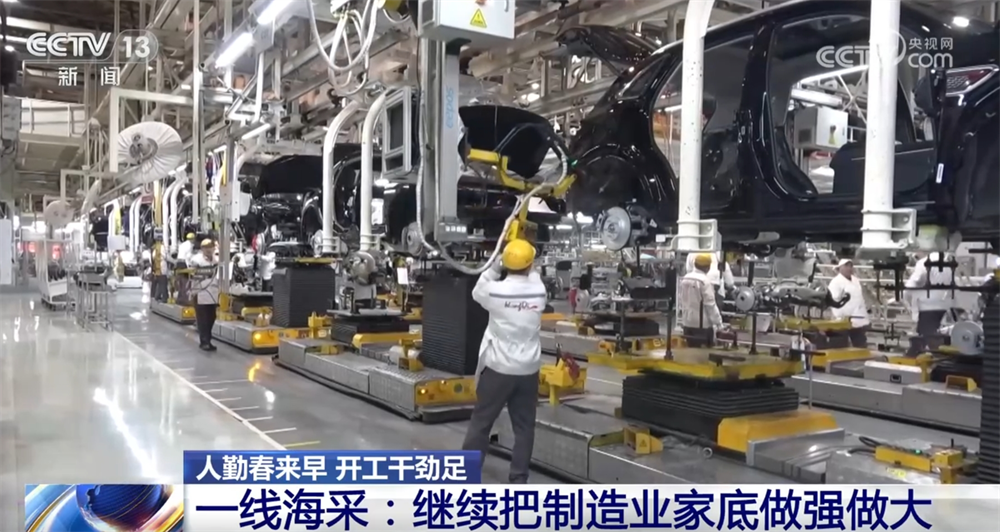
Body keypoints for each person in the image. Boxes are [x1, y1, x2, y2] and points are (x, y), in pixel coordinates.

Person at [462, 239, 547, 484]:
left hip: (498, 370)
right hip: (528, 372)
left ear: (506, 263)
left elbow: (477, 290)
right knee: (524, 429)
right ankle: (519, 479)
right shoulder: (538, 292)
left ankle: (467, 476)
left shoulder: (495, 292)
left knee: (481, 423)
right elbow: (533, 273)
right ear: (529, 264)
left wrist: (495, 265)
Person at [906, 252, 958, 337]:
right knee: (939, 335)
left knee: (926, 337)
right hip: (945, 305)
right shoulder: (947, 262)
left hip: (928, 307)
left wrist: (905, 299)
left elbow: (911, 285)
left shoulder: (923, 263)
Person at [678, 253, 726, 346]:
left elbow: (681, 300)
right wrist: (719, 324)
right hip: (702, 326)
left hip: (687, 323)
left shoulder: (685, 278)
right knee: (703, 353)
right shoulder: (704, 281)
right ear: (707, 267)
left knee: (689, 351)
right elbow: (710, 306)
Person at [827, 258, 871, 348]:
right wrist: (840, 315)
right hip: (842, 319)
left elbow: (859, 297)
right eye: (846, 266)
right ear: (840, 268)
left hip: (858, 317)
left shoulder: (855, 280)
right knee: (840, 345)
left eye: (851, 266)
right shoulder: (835, 283)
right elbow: (834, 300)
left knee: (860, 345)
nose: (849, 268)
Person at [188, 238, 220, 351]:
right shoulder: (196, 260)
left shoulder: (215, 260)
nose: (209, 250)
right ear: (202, 249)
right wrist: (205, 273)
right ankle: (204, 341)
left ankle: (208, 339)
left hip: (212, 292)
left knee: (212, 317)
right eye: (206, 248)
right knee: (203, 318)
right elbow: (191, 274)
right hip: (200, 292)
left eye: (211, 247)